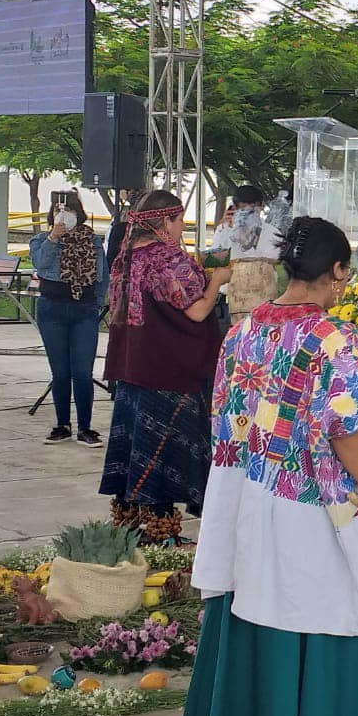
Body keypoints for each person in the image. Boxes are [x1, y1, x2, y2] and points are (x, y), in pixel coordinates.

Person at [180, 217, 358, 716]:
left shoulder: (243, 331)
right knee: (303, 618)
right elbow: (347, 431)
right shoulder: (333, 336)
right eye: (345, 272)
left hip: (242, 493)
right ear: (334, 271)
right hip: (305, 502)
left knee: (251, 609)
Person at [102, 189, 233, 543]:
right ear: (166, 222)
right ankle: (162, 529)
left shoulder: (125, 255)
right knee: (165, 448)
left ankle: (128, 524)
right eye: (179, 221)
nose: (181, 229)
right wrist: (217, 282)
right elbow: (197, 310)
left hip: (133, 367)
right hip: (168, 369)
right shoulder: (167, 257)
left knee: (135, 445)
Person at [30, 195, 109, 448]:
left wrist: (95, 302)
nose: (64, 215)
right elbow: (41, 265)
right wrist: (54, 237)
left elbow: (102, 276)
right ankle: (62, 423)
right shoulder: (42, 240)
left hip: (83, 309)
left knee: (83, 372)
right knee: (61, 372)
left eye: (69, 210)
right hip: (52, 309)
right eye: (58, 210)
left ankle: (86, 427)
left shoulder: (93, 241)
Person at [208, 184, 284, 321]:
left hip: (263, 303)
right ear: (235, 208)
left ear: (261, 207)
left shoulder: (272, 233)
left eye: (253, 210)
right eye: (243, 210)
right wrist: (226, 229)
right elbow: (213, 261)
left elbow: (279, 260)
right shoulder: (224, 230)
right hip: (230, 302)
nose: (248, 215)